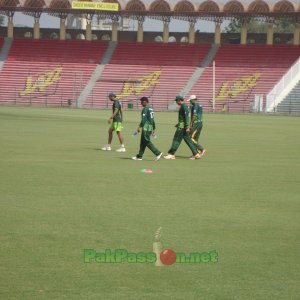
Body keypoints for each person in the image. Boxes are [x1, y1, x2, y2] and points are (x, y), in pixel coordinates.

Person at [164, 95, 201, 160]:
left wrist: (187, 127)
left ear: (179, 100)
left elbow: (186, 117)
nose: (176, 102)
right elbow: (184, 117)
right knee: (188, 140)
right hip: (182, 125)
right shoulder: (184, 106)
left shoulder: (183, 106)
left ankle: (171, 154)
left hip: (182, 127)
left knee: (176, 140)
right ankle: (196, 154)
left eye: (176, 101)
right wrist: (178, 123)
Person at [132, 97, 163, 161]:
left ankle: (158, 153)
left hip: (146, 127)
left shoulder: (145, 109)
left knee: (146, 141)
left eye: (141, 102)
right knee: (142, 142)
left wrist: (139, 127)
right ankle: (139, 156)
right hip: (150, 127)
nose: (141, 103)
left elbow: (144, 119)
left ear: (145, 102)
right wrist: (154, 128)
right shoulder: (151, 109)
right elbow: (152, 119)